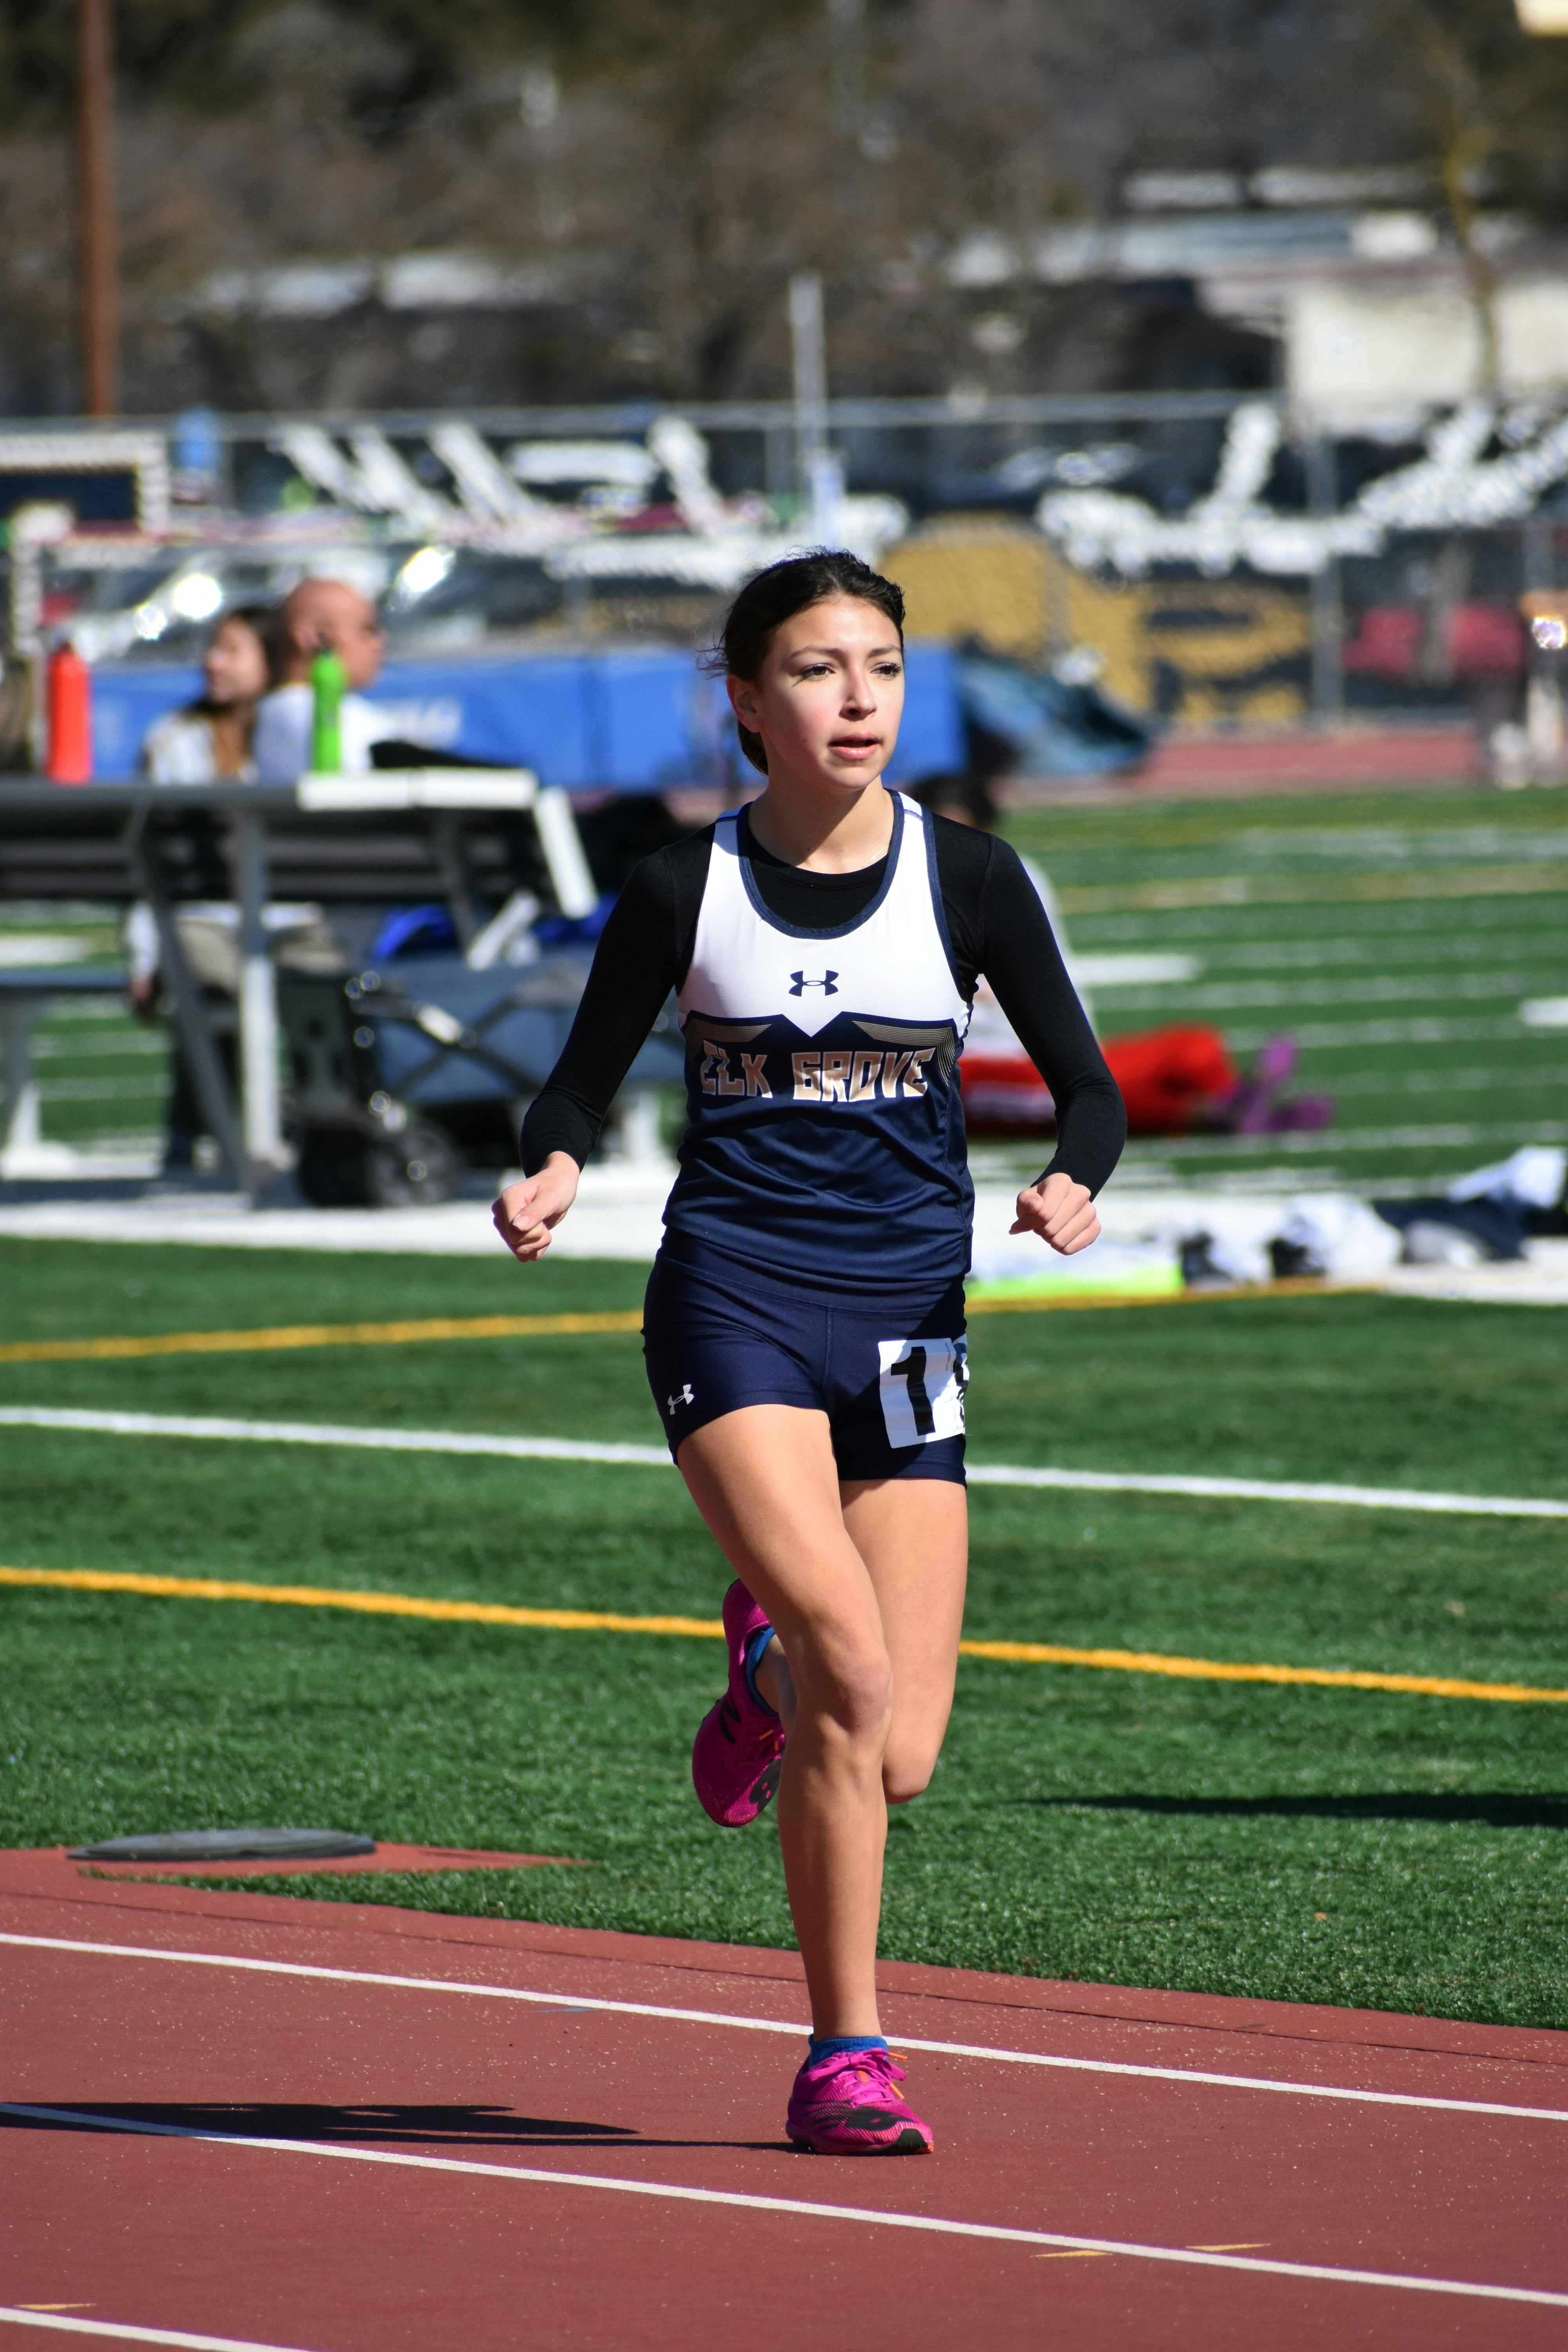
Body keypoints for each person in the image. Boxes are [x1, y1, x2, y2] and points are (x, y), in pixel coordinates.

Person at [493, 551, 1124, 2155]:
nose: (860, 700)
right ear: (746, 702)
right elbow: (576, 1078)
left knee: (896, 1750)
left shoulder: (968, 877)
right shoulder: (675, 887)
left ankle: (760, 1671)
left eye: (885, 669)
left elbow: (1089, 1087)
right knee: (856, 1662)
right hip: (734, 1301)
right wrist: (553, 1164)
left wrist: (1074, 1178)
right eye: (822, 670)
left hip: (910, 1329)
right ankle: (847, 2055)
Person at [251, 576, 390, 781]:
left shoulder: (248, 717)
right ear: (314, 637)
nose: (380, 642)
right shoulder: (354, 725)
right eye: (367, 630)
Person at [140, 604, 272, 784]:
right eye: (212, 647)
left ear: (272, 660)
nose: (213, 663)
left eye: (232, 651)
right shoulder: (177, 738)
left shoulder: (292, 732)